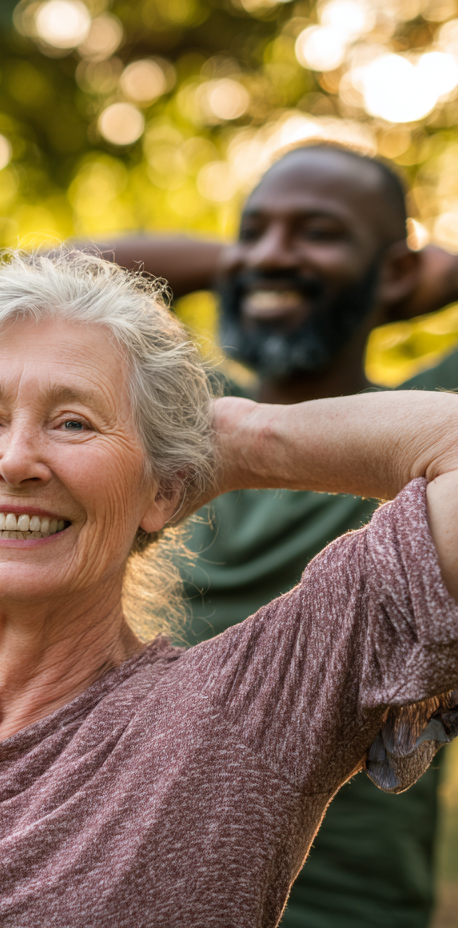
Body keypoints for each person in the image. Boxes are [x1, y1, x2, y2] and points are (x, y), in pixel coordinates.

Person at [0, 249, 458, 927]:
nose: (15, 461)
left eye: (73, 423)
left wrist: (232, 434)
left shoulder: (236, 718)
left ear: (164, 491)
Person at [97, 142, 458, 928]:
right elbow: (45, 287)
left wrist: (415, 278)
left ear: (397, 272)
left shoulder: (429, 429)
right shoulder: (178, 416)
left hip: (343, 910)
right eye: (254, 229)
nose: (272, 253)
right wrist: (248, 262)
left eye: (317, 232)